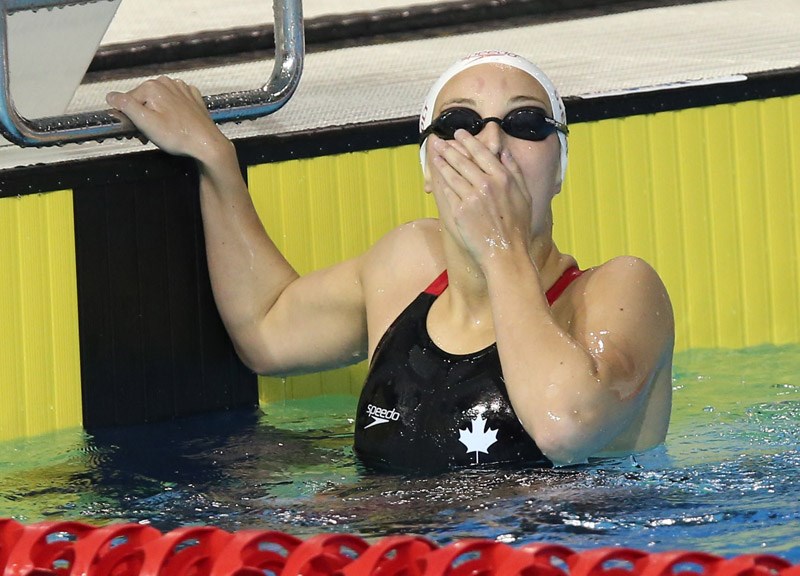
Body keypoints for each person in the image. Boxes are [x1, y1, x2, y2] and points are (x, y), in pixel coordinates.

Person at [106, 50, 674, 473]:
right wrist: (215, 158)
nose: (491, 144)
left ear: (561, 167)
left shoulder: (618, 291)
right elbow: (266, 330)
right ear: (428, 169)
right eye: (459, 124)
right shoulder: (407, 268)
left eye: (525, 124)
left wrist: (499, 247)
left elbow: (567, 429)